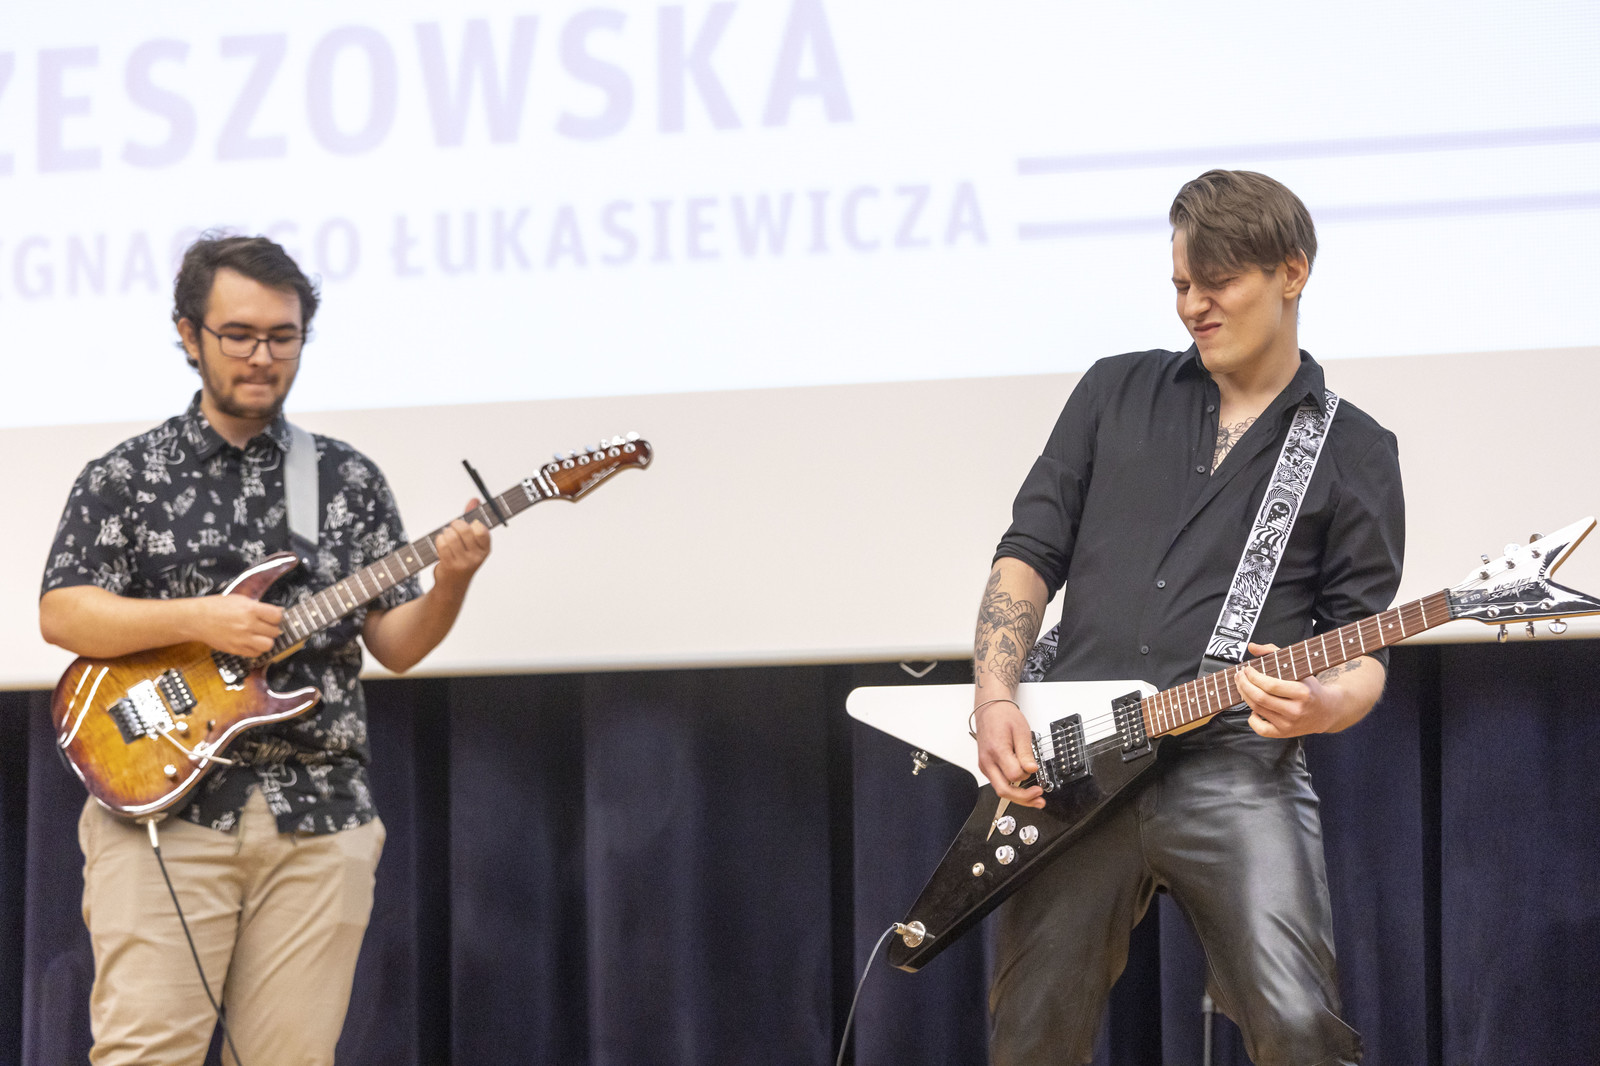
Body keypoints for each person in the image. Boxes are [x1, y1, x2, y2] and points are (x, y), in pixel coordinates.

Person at [971, 170, 1403, 1065]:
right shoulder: (1113, 392)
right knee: (1029, 1036)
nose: (1193, 307)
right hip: (1078, 761)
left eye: (1219, 283)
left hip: (1235, 764)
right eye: (1180, 285)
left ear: (1293, 273)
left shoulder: (1355, 448)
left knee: (1299, 1027)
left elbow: (1364, 645)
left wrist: (1324, 705)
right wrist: (994, 694)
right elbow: (1028, 552)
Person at [39, 234, 492, 1064]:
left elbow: (395, 644)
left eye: (283, 337)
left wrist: (452, 583)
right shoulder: (126, 475)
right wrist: (200, 620)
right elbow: (64, 613)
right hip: (164, 809)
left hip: (320, 816)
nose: (262, 356)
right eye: (239, 335)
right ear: (189, 335)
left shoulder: (348, 479)